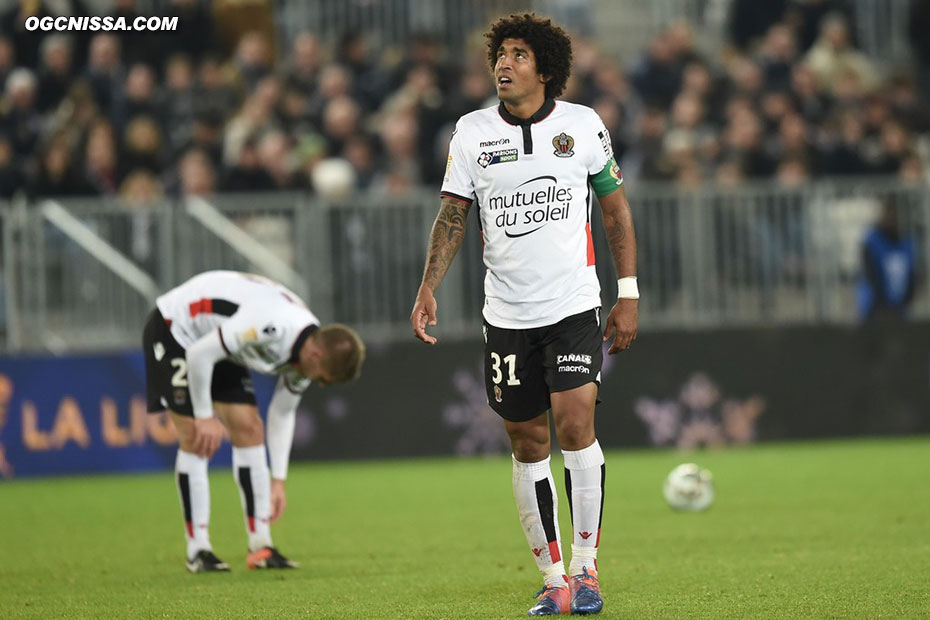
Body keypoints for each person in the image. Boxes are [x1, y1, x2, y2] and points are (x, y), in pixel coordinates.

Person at [410, 13, 638, 616]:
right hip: (506, 314)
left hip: (572, 305)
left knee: (573, 422)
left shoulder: (583, 126)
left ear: (545, 67)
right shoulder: (471, 132)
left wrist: (629, 292)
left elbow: (614, 213)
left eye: (517, 55)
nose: (503, 65)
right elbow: (453, 216)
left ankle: (587, 571)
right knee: (526, 439)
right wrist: (428, 285)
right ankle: (553, 577)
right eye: (499, 55)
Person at [143, 270, 365, 573]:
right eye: (324, 378)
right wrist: (205, 415)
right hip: (177, 330)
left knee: (250, 429)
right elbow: (199, 356)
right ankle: (198, 550)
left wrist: (279, 479)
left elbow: (283, 413)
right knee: (196, 437)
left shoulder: (307, 349)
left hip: (219, 341)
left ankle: (261, 546)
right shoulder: (270, 325)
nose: (321, 384)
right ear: (315, 354)